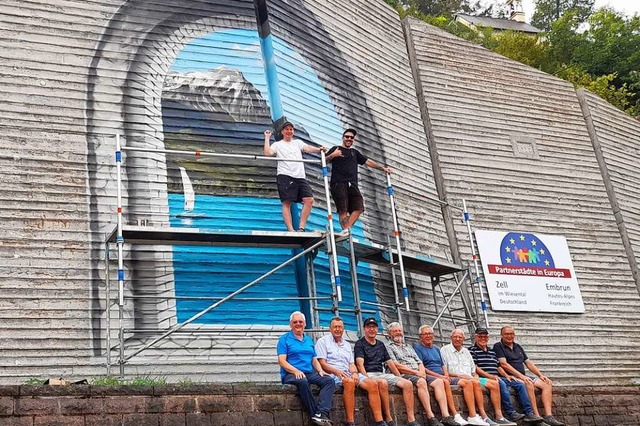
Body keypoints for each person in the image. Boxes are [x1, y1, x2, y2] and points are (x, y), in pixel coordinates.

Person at [316, 316, 388, 426]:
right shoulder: (322, 341)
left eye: (340, 327)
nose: (337, 329)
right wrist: (337, 371)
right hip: (332, 374)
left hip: (348, 372)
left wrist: (355, 373)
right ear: (330, 329)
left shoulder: (346, 344)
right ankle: (350, 421)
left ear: (343, 329)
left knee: (372, 384)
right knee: (349, 382)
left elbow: (351, 363)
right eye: (335, 327)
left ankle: (379, 421)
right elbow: (322, 363)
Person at [354, 317, 420, 426]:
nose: (372, 329)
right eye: (369, 327)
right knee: (383, 383)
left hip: (382, 373)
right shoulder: (360, 344)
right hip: (369, 373)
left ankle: (411, 419)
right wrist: (367, 378)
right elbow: (360, 365)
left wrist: (400, 377)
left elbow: (390, 363)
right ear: (364, 329)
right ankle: (388, 418)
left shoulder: (380, 344)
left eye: (374, 327)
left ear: (377, 329)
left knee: (407, 384)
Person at [385, 322, 454, 426]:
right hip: (403, 374)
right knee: (421, 381)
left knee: (439, 381)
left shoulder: (408, 346)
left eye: (399, 331)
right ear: (389, 334)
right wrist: (416, 372)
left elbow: (419, 362)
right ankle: (431, 416)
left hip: (417, 372)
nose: (398, 333)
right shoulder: (388, 347)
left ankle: (445, 416)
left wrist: (421, 371)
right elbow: (395, 365)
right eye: (395, 331)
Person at [493, 327, 564, 426]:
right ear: (501, 335)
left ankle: (549, 416)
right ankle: (536, 416)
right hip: (511, 377)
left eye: (511, 334)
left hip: (523, 376)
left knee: (546, 383)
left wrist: (540, 375)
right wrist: (521, 376)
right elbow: (503, 364)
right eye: (506, 334)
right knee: (528, 383)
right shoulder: (498, 346)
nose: (509, 336)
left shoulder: (518, 346)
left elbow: (528, 363)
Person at [263, 123, 326, 232]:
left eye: (291, 129)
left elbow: (307, 148)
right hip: (285, 175)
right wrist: (267, 138)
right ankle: (291, 230)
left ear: (293, 132)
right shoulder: (278, 144)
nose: (289, 131)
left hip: (300, 176)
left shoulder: (297, 143)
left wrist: (318, 149)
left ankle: (301, 228)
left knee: (309, 200)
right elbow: (268, 153)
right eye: (286, 129)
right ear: (282, 132)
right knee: (287, 202)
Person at [277, 311, 335, 425]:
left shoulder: (308, 340)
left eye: (300, 322)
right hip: (290, 374)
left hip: (308, 373)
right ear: (290, 324)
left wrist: (320, 371)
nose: (298, 324)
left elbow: (314, 359)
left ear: (304, 324)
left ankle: (321, 413)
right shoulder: (284, 339)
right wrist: (295, 371)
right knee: (303, 382)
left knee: (329, 381)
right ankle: (315, 416)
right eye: (295, 322)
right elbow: (282, 361)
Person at [326, 128, 391, 230]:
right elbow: (323, 161)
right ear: (343, 138)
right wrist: (333, 155)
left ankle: (346, 229)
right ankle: (346, 231)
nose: (349, 139)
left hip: (352, 184)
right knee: (343, 209)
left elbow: (368, 162)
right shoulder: (336, 148)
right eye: (347, 137)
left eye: (351, 138)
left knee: (358, 207)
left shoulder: (354, 152)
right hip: (338, 183)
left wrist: (382, 168)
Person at [468, 328, 536, 425]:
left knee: (519, 384)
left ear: (488, 338)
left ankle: (529, 412)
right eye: (480, 336)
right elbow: (475, 368)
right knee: (501, 383)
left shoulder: (492, 351)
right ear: (475, 337)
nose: (483, 338)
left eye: (485, 336)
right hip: (485, 378)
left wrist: (507, 375)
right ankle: (510, 412)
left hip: (497, 376)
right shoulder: (471, 350)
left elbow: (498, 366)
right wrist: (489, 376)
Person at [414, 325, 469, 426]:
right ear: (420, 336)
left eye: (430, 333)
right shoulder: (417, 348)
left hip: (442, 375)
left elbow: (442, 364)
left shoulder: (436, 349)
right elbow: (421, 366)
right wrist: (441, 376)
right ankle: (449, 415)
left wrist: (446, 374)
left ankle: (473, 415)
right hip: (431, 375)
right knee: (444, 382)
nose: (428, 336)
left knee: (467, 382)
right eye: (425, 334)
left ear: (433, 335)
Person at [440, 329, 490, 426]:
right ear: (451, 338)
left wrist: (475, 376)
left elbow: (473, 369)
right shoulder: (444, 350)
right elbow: (445, 370)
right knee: (471, 383)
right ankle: (473, 415)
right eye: (455, 337)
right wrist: (460, 375)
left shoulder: (466, 351)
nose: (457, 339)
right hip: (456, 378)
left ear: (463, 339)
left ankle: (493, 415)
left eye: (460, 337)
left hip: (470, 377)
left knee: (494, 384)